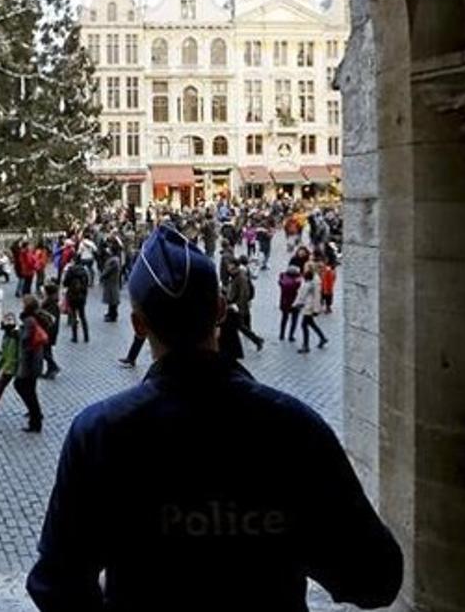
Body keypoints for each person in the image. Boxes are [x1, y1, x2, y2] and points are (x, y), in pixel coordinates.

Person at [26, 227, 403, 611]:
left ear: (138, 324)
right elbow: (374, 577)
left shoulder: (99, 433)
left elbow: (56, 583)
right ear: (221, 309)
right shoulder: (294, 428)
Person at [16, 296, 48, 433]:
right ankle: (35, 417)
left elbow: (25, 339)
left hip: (29, 362)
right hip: (36, 360)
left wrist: (16, 332)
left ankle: (35, 419)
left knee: (21, 386)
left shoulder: (29, 320)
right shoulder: (36, 318)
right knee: (30, 390)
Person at [226, 256, 264, 352]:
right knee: (240, 326)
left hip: (237, 306)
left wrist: (238, 306)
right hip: (233, 304)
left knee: (240, 326)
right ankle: (257, 340)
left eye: (229, 264)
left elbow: (244, 293)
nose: (227, 266)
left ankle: (257, 340)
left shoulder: (240, 277)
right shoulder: (234, 275)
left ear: (234, 265)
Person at [297, 267, 328, 353]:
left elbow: (302, 297)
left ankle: (306, 345)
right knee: (311, 323)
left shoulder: (307, 285)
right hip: (311, 306)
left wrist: (297, 304)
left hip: (308, 307)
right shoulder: (314, 283)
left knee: (304, 325)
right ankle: (322, 338)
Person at [62, 258, 90, 343]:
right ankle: (86, 336)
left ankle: (75, 337)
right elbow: (87, 283)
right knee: (83, 316)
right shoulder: (84, 271)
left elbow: (65, 283)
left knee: (73, 315)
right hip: (82, 296)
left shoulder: (70, 271)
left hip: (72, 295)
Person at [40, 284, 62, 380]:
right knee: (47, 351)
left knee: (44, 351)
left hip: (48, 332)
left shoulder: (51, 304)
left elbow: (49, 319)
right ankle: (50, 370)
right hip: (47, 331)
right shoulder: (50, 302)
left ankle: (54, 367)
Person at [277, 265, 303, 342]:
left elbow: (280, 280)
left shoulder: (283, 280)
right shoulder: (297, 282)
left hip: (284, 301)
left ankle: (282, 334)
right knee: (294, 320)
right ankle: (291, 336)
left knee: (284, 318)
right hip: (295, 302)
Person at [100, 246, 122, 323]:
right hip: (111, 282)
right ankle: (110, 314)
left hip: (111, 282)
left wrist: (102, 276)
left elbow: (107, 271)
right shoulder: (115, 260)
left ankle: (113, 315)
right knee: (111, 299)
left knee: (113, 299)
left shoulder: (113, 261)